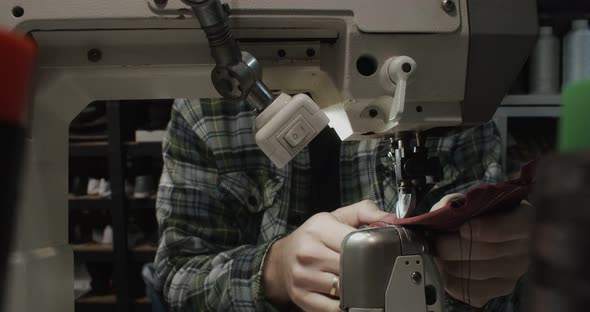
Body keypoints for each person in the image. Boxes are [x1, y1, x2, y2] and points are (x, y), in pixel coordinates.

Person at [154, 98, 531, 312]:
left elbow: (502, 285)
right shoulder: (205, 109)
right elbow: (177, 278)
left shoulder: (449, 95)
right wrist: (274, 270)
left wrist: (493, 259)